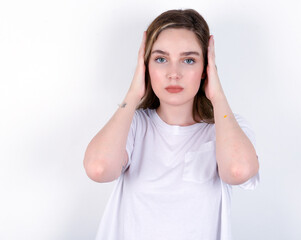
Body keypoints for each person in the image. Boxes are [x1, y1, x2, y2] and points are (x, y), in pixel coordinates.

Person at [83, 8, 260, 240]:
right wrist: (133, 93)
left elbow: (238, 171)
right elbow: (98, 169)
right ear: (145, 66)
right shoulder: (134, 126)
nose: (173, 73)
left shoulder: (227, 128)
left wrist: (218, 97)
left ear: (206, 69)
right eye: (161, 59)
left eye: (188, 60)